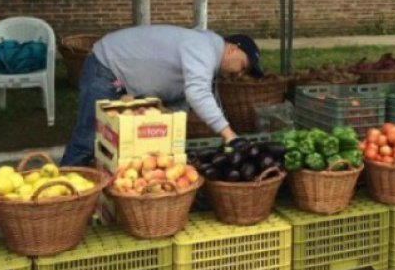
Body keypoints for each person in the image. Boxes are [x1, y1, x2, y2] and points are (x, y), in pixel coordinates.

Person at [61, 25, 263, 166]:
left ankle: (95, 196)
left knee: (118, 146)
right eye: (243, 66)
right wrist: (229, 136)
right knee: (89, 138)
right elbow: (197, 93)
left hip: (121, 73)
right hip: (106, 66)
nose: (240, 74)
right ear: (232, 49)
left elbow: (182, 102)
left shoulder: (207, 52)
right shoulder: (204, 48)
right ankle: (61, 200)